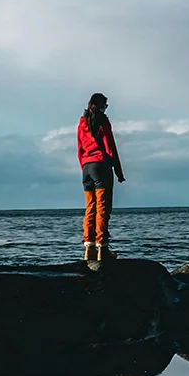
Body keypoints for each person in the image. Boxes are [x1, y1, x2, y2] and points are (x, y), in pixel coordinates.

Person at [77, 93, 125, 261]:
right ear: (101, 105)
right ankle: (102, 249)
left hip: (87, 168)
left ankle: (88, 248)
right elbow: (110, 146)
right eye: (106, 105)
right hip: (101, 167)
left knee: (90, 208)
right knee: (103, 209)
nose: (106, 108)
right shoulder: (103, 121)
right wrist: (118, 171)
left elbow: (80, 148)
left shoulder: (82, 122)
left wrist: (84, 167)